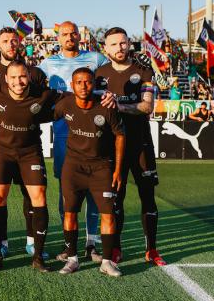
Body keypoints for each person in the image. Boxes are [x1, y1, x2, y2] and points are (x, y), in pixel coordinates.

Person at [38, 21, 109, 263]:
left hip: (94, 132)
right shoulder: (47, 64)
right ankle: (69, 243)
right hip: (63, 134)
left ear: (80, 35)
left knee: (94, 189)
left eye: (73, 33)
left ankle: (92, 242)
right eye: (64, 34)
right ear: (57, 38)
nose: (69, 37)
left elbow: (111, 83)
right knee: (66, 189)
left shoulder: (96, 60)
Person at [96, 27, 166, 267]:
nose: (119, 48)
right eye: (114, 44)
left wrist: (119, 106)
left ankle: (152, 250)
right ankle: (115, 249)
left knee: (148, 197)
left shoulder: (143, 70)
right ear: (105, 48)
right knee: (116, 198)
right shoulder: (99, 74)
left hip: (141, 144)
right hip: (113, 147)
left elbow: (148, 107)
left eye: (123, 43)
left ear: (129, 44)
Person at [0, 27, 49, 258]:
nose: (10, 44)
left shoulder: (34, 73)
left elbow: (46, 101)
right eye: (5, 41)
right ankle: (3, 242)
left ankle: (31, 241)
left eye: (14, 41)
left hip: (28, 144)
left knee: (31, 194)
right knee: (0, 194)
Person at [0, 60, 60, 272]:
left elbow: (71, 100)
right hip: (2, 153)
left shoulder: (42, 94)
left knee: (39, 198)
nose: (19, 81)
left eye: (23, 76)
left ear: (29, 76)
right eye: (14, 77)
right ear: (6, 79)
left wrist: (105, 96)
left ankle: (38, 256)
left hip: (30, 153)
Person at [54, 67, 125, 276]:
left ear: (93, 84)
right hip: (73, 167)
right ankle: (73, 258)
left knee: (108, 215)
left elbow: (120, 136)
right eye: (79, 82)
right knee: (70, 213)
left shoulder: (106, 106)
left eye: (87, 82)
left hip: (101, 167)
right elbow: (42, 114)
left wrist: (118, 170)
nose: (83, 86)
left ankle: (107, 261)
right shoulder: (64, 105)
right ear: (72, 85)